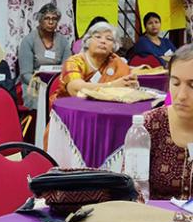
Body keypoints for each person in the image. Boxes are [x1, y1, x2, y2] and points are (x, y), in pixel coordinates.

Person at [144, 44, 193, 200]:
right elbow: (131, 190)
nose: (181, 95)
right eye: (176, 83)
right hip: (155, 220)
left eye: (192, 85)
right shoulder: (151, 124)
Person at [52, 21, 138, 100]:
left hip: (104, 106)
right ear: (87, 41)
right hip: (70, 109)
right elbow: (76, 89)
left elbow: (128, 85)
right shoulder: (74, 62)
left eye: (109, 39)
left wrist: (131, 82)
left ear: (114, 47)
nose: (103, 41)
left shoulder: (115, 62)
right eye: (98, 37)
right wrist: (112, 86)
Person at [18, 3, 71, 108]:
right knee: (39, 100)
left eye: (54, 19)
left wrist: (55, 85)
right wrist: (43, 86)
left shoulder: (63, 41)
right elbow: (25, 74)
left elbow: (67, 69)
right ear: (40, 20)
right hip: (33, 83)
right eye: (47, 18)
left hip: (57, 83)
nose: (51, 22)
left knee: (68, 99)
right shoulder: (28, 40)